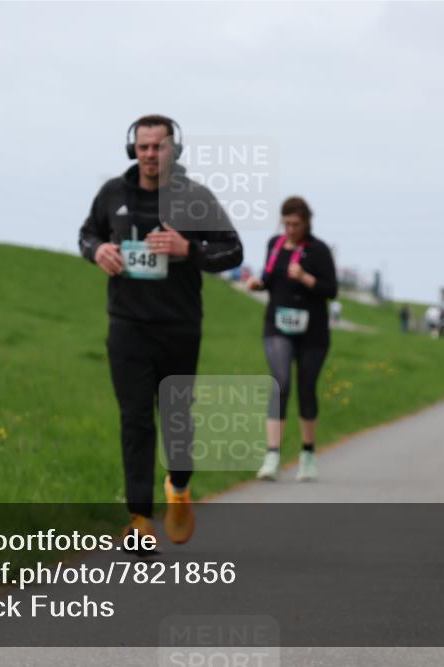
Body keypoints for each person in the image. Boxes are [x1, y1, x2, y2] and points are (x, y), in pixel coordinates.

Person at [78, 114, 243, 549]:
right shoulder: (112, 194)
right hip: (128, 326)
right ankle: (138, 519)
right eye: (145, 147)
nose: (151, 155)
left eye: (160, 146)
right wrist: (99, 251)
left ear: (175, 150)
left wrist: (189, 249)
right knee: (134, 420)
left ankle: (180, 487)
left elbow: (232, 250)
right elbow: (86, 235)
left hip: (179, 327)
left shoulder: (195, 198)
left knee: (175, 418)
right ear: (134, 149)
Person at [247, 197, 337, 482]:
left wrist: (306, 278)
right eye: (286, 223)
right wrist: (257, 283)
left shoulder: (319, 250)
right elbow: (269, 279)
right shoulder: (274, 245)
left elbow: (331, 290)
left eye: (296, 224)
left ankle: (308, 454)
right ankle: (272, 455)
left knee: (306, 387)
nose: (290, 229)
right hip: (278, 325)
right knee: (280, 383)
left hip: (313, 331)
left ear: (307, 222)